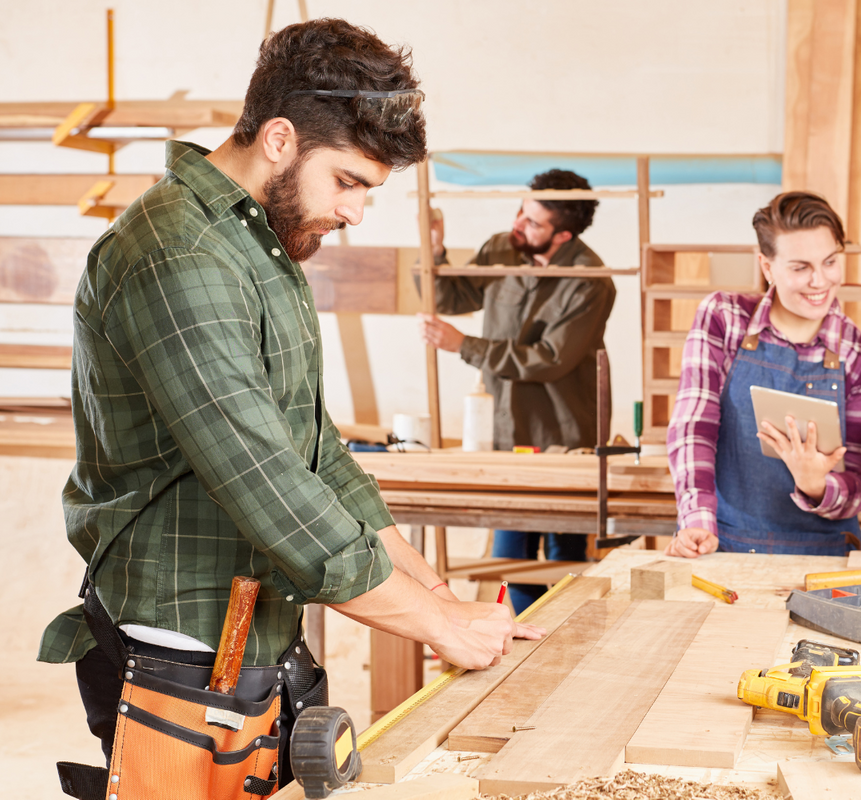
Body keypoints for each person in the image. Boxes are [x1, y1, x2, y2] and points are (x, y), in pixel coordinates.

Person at [39, 19, 542, 778]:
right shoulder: (178, 253)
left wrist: (432, 588)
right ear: (279, 139)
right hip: (182, 640)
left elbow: (314, 450)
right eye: (348, 183)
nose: (355, 212)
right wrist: (437, 624)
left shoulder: (257, 246)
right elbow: (268, 484)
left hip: (254, 630)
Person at [420, 169, 615, 612]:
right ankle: (527, 649)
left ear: (563, 234)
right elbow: (453, 298)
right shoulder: (503, 247)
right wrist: (434, 252)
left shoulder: (592, 281)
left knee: (567, 560)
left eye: (533, 222)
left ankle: (566, 650)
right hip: (505, 430)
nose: (518, 225)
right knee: (512, 559)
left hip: (562, 434)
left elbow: (549, 359)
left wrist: (463, 345)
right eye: (521, 212)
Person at [665, 191, 861, 557]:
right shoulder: (724, 318)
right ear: (767, 267)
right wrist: (696, 517)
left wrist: (817, 485)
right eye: (800, 268)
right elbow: (694, 426)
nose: (819, 281)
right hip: (724, 544)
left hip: (824, 558)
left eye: (830, 262)